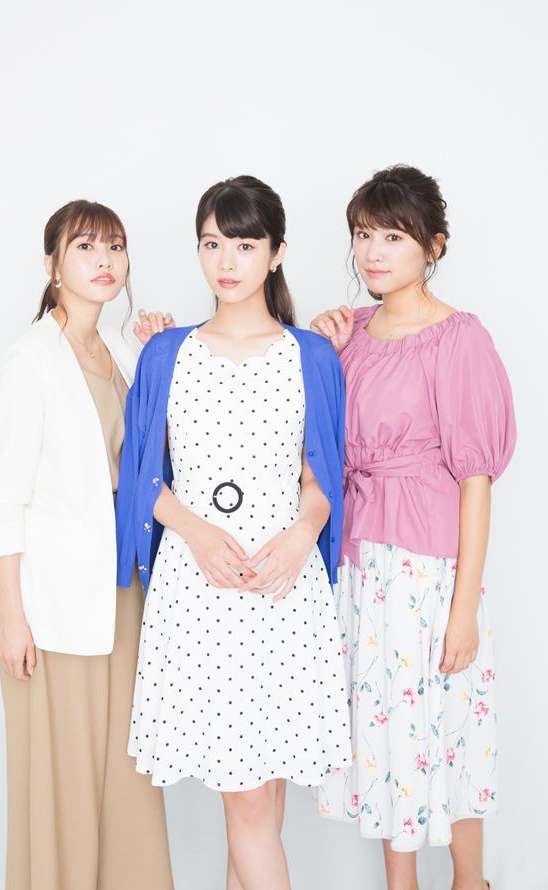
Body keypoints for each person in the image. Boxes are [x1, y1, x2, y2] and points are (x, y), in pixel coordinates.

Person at [115, 175, 351, 890]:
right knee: (248, 803)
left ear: (276, 253)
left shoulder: (311, 354)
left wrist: (302, 532)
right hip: (202, 591)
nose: (226, 261)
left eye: (245, 245)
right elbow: (138, 477)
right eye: (212, 243)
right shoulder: (166, 353)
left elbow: (323, 472)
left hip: (283, 589)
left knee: (262, 802)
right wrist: (195, 531)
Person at [310, 165, 516, 890]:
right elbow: (313, 447)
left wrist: (463, 609)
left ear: (432, 246)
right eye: (363, 234)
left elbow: (475, 481)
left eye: (393, 236)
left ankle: (469, 882)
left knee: (450, 729)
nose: (373, 251)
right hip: (359, 568)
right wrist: (322, 352)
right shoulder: (351, 333)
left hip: (428, 572)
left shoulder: (458, 339)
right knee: (383, 738)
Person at [0, 200, 173, 890]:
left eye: (114, 246)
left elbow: (158, 461)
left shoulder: (122, 350)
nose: (104, 260)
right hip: (53, 609)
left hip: (123, 595)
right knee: (60, 778)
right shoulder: (31, 359)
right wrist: (12, 618)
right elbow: (6, 498)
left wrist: (159, 353)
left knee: (125, 776)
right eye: (85, 246)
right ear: (52, 265)